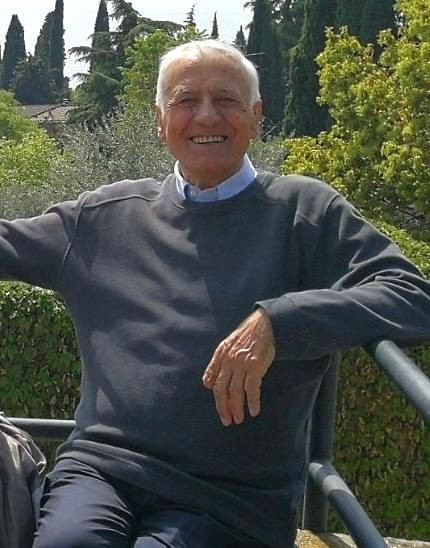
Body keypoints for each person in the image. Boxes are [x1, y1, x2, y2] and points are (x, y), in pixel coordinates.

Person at [1, 40, 429, 548]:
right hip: (101, 472)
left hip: (232, 498)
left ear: (256, 117)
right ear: (160, 120)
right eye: (186, 100)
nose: (206, 115)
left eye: (226, 100)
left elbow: (412, 295)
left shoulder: (304, 212)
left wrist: (281, 320)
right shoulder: (104, 217)